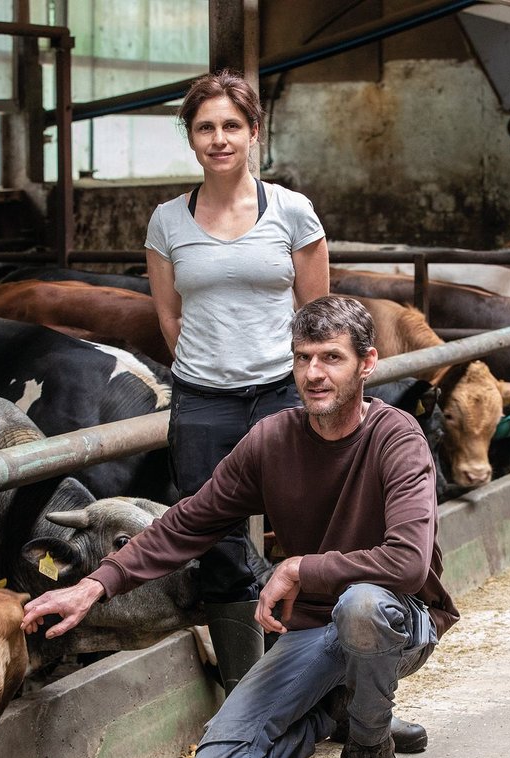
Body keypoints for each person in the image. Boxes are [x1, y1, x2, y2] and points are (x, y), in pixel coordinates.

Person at [22, 296, 459, 758]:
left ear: (367, 364)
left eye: (331, 358)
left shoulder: (397, 438)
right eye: (302, 358)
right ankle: (336, 710)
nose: (314, 374)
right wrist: (94, 586)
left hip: (396, 618)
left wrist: (299, 568)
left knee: (360, 607)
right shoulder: (272, 440)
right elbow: (189, 521)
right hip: (314, 629)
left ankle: (369, 750)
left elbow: (409, 563)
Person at [144, 69, 329, 695]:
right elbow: (169, 316)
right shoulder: (168, 220)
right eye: (204, 128)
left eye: (230, 126)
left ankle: (328, 690)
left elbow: (317, 317)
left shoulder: (293, 212)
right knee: (213, 541)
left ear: (253, 132)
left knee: (308, 533)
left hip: (281, 394)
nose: (218, 139)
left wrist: (298, 387)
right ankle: (249, 697)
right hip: (201, 403)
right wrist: (210, 368)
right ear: (190, 139)